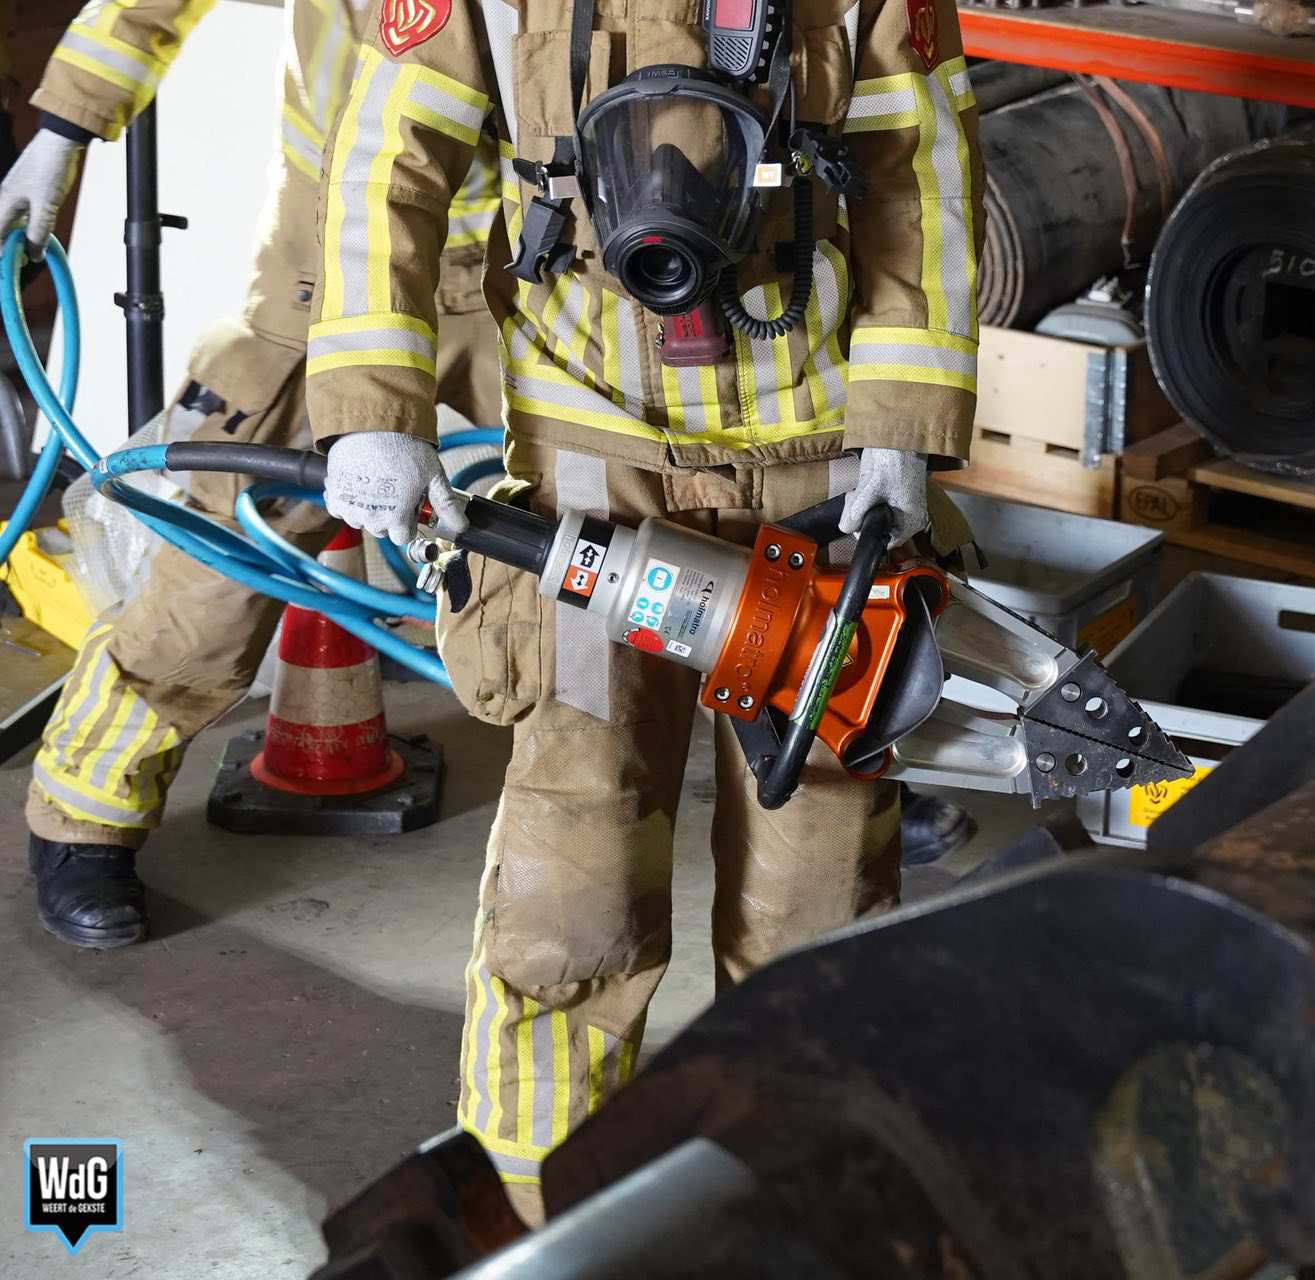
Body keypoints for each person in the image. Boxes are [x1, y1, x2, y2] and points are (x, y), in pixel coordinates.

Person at [305, 0, 981, 1218]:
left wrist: (902, 435)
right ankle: (532, 1220)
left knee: (818, 900)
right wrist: (371, 406)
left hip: (821, 479)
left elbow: (917, 166)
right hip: (585, 471)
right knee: (573, 881)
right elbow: (387, 159)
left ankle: (801, 1222)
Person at [6, 0, 506, 949]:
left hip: (546, 271)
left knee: (646, 542)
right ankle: (82, 821)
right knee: (222, 569)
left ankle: (821, 765)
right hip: (336, 269)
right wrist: (65, 127)